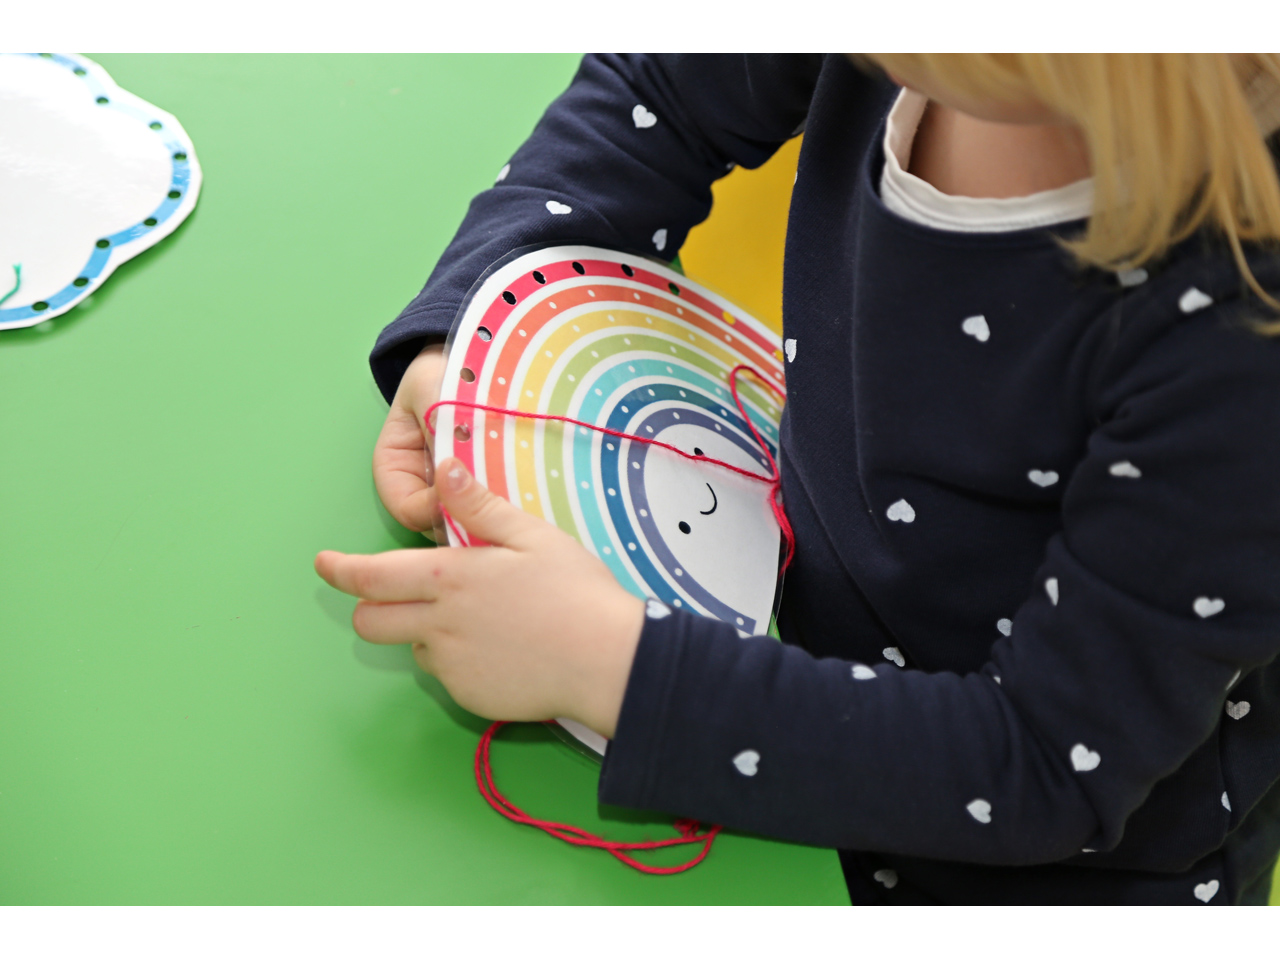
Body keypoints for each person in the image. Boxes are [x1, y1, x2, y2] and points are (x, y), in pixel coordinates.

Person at [315, 54, 1280, 904]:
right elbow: (657, 92)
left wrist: (606, 666)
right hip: (768, 653)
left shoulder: (1239, 335)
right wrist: (475, 336)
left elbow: (1046, 764)